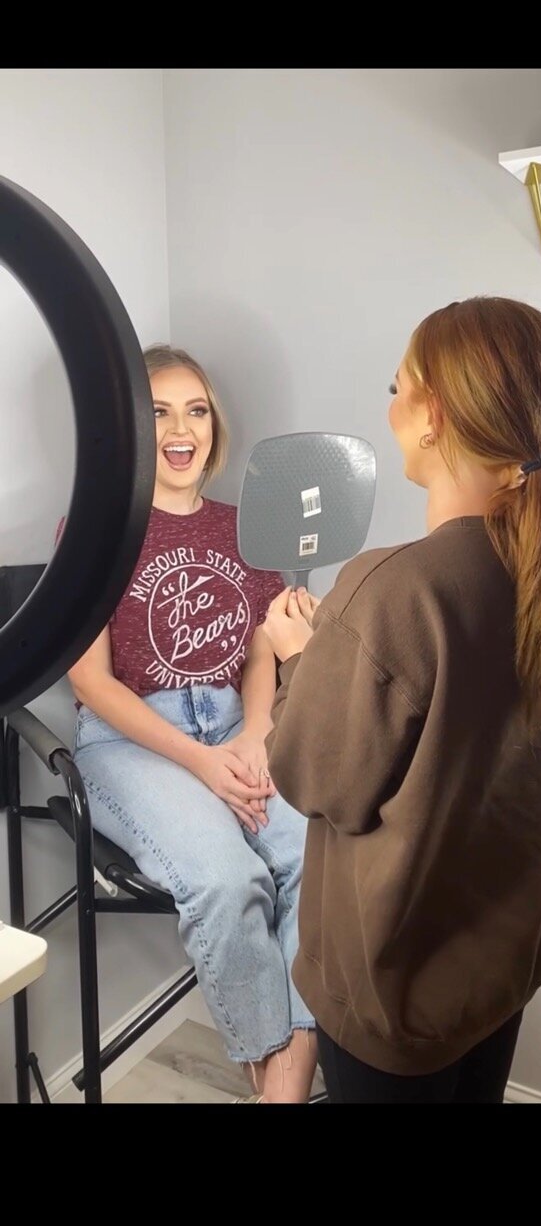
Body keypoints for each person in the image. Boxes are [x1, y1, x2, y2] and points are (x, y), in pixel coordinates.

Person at [262, 296, 541, 1104]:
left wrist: (301, 658)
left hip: (395, 990)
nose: (389, 406)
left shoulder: (393, 590)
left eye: (396, 385)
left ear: (432, 415)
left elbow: (312, 776)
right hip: (503, 966)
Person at [65, 343, 317, 1103]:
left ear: (214, 423)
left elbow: (258, 653)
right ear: (134, 429)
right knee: (225, 876)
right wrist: (201, 763)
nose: (181, 428)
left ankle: (286, 1086)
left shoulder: (250, 529)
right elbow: (90, 682)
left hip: (242, 730)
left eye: (196, 409)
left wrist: (254, 734)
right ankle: (278, 1077)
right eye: (158, 410)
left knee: (322, 860)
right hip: (132, 741)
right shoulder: (97, 527)